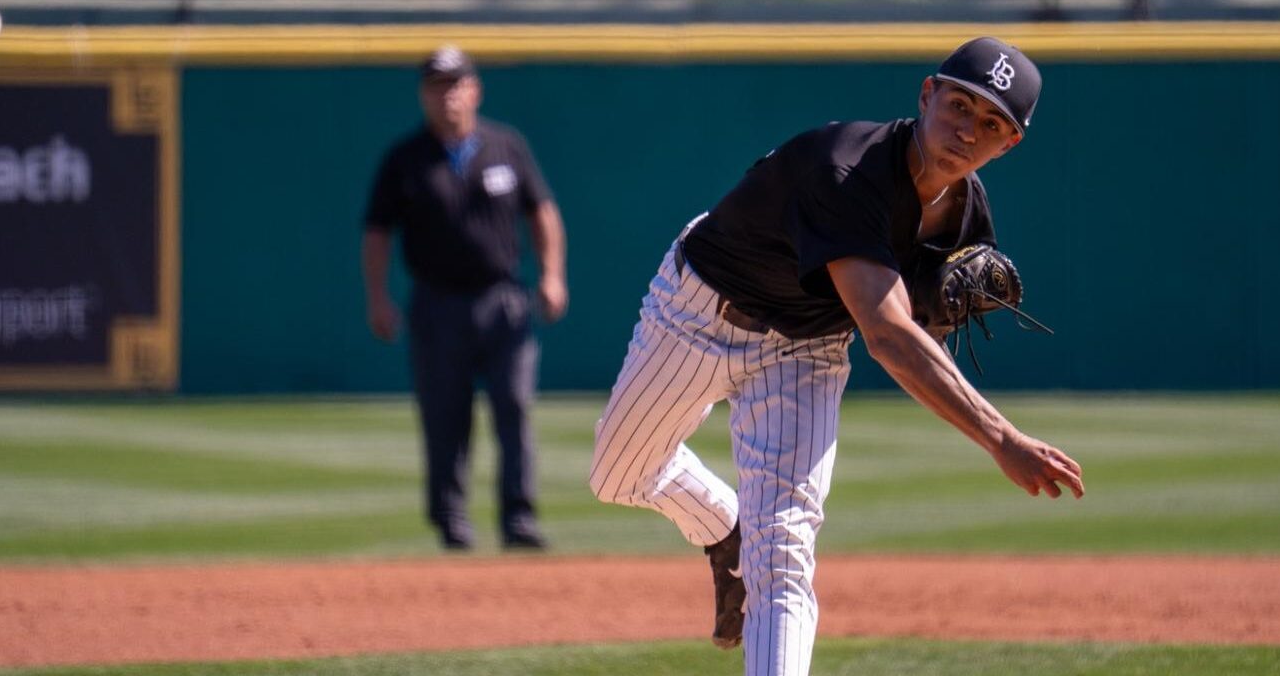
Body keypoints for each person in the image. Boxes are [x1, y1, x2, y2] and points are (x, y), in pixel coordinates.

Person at [588, 36, 1084, 675]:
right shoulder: (846, 169)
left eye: (991, 123)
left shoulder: (965, 214)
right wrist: (1000, 438)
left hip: (808, 347)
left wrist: (926, 316)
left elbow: (911, 322)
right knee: (619, 475)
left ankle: (756, 548)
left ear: (1008, 143)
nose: (968, 130)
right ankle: (722, 525)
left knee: (784, 557)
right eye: (960, 105)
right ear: (928, 94)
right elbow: (886, 334)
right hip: (701, 310)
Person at [363, 45, 568, 551]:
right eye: (436, 85)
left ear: (474, 90)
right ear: (423, 95)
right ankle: (451, 520)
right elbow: (376, 231)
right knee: (444, 415)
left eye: (455, 84)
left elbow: (542, 212)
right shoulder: (406, 159)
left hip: (503, 299)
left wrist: (552, 275)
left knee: (514, 406)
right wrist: (378, 296)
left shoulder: (505, 146)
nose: (447, 95)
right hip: (437, 303)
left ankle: (518, 519)